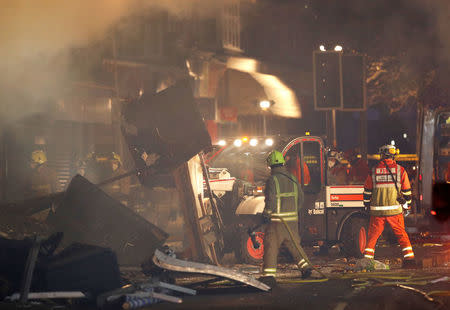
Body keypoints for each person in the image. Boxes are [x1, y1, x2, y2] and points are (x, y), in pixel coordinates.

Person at [260, 150, 313, 286]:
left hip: (277, 222)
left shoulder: (272, 180)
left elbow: (270, 200)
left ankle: (269, 275)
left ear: (271, 165)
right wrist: (293, 212)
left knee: (271, 246)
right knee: (294, 245)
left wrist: (266, 214)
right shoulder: (293, 178)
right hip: (292, 221)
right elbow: (301, 199)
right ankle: (306, 267)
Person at [363, 144, 417, 268]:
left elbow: (367, 191)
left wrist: (366, 205)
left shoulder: (373, 171)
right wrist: (407, 206)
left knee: (373, 236)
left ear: (381, 155)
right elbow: (407, 192)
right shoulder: (400, 170)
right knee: (401, 234)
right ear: (393, 155)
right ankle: (409, 260)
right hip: (395, 211)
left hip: (377, 212)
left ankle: (367, 261)